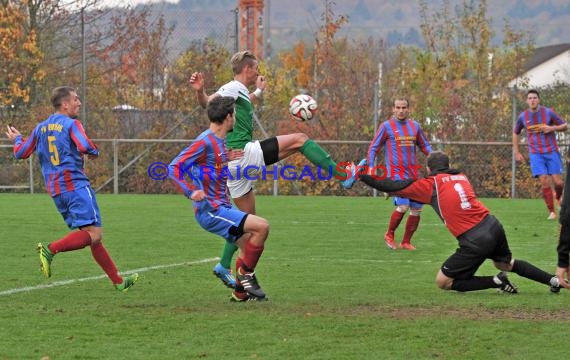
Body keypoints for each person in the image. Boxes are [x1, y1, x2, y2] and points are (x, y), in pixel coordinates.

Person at [190, 50, 356, 286]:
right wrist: (201, 93)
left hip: (234, 169)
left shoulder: (239, 93)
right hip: (242, 155)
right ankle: (342, 175)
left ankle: (224, 266)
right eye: (255, 68)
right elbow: (209, 104)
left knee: (247, 223)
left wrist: (258, 92)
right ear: (247, 69)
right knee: (300, 139)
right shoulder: (231, 88)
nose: (258, 71)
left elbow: (240, 100)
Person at [360, 151, 567, 294]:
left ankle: (496, 281)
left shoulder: (430, 184)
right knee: (506, 263)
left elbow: (394, 185)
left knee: (443, 282)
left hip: (475, 239)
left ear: (428, 169)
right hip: (493, 225)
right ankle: (553, 280)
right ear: (448, 166)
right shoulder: (461, 176)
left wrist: (362, 176)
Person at [5, 86, 138, 292]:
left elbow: (21, 152)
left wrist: (17, 139)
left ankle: (119, 282)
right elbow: (85, 145)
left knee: (93, 236)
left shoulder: (40, 128)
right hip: (75, 186)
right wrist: (94, 151)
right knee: (94, 234)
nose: (79, 103)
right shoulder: (72, 124)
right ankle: (50, 250)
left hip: (57, 191)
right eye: (76, 99)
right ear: (64, 104)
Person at [168, 96, 269, 302]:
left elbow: (211, 164)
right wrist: (191, 192)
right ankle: (244, 276)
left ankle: (240, 293)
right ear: (228, 117)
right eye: (234, 115)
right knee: (262, 227)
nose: (236, 119)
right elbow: (174, 167)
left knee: (249, 244)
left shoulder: (219, 142)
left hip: (221, 207)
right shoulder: (204, 141)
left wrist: (226, 158)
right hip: (211, 211)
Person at [344, 97, 432, 251]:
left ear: (408, 109)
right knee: (403, 206)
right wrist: (371, 168)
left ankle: (406, 242)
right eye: (398, 107)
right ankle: (389, 234)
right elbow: (373, 148)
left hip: (413, 174)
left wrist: (436, 158)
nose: (401, 110)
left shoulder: (415, 126)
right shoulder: (386, 126)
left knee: (417, 209)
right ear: (393, 109)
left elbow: (424, 145)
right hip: (395, 175)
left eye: (404, 107)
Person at [513, 89, 567, 220]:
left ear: (539, 100)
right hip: (536, 154)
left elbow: (565, 126)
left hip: (552, 152)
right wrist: (517, 151)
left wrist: (551, 128)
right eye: (530, 98)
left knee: (558, 183)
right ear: (527, 101)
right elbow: (515, 132)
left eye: (535, 98)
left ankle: (558, 197)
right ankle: (552, 212)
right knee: (544, 181)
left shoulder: (548, 112)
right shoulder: (523, 116)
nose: (532, 100)